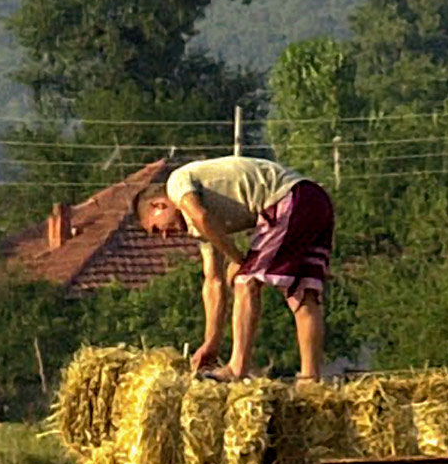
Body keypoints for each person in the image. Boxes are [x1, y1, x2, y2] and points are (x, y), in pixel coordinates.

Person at [139, 153, 336, 381]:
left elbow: (201, 216)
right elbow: (213, 281)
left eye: (157, 228)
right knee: (303, 295)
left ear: (158, 205)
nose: (165, 236)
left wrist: (239, 260)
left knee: (245, 281)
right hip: (316, 200)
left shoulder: (176, 183)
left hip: (286, 199)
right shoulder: (201, 230)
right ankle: (310, 379)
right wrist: (211, 344)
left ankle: (237, 368)